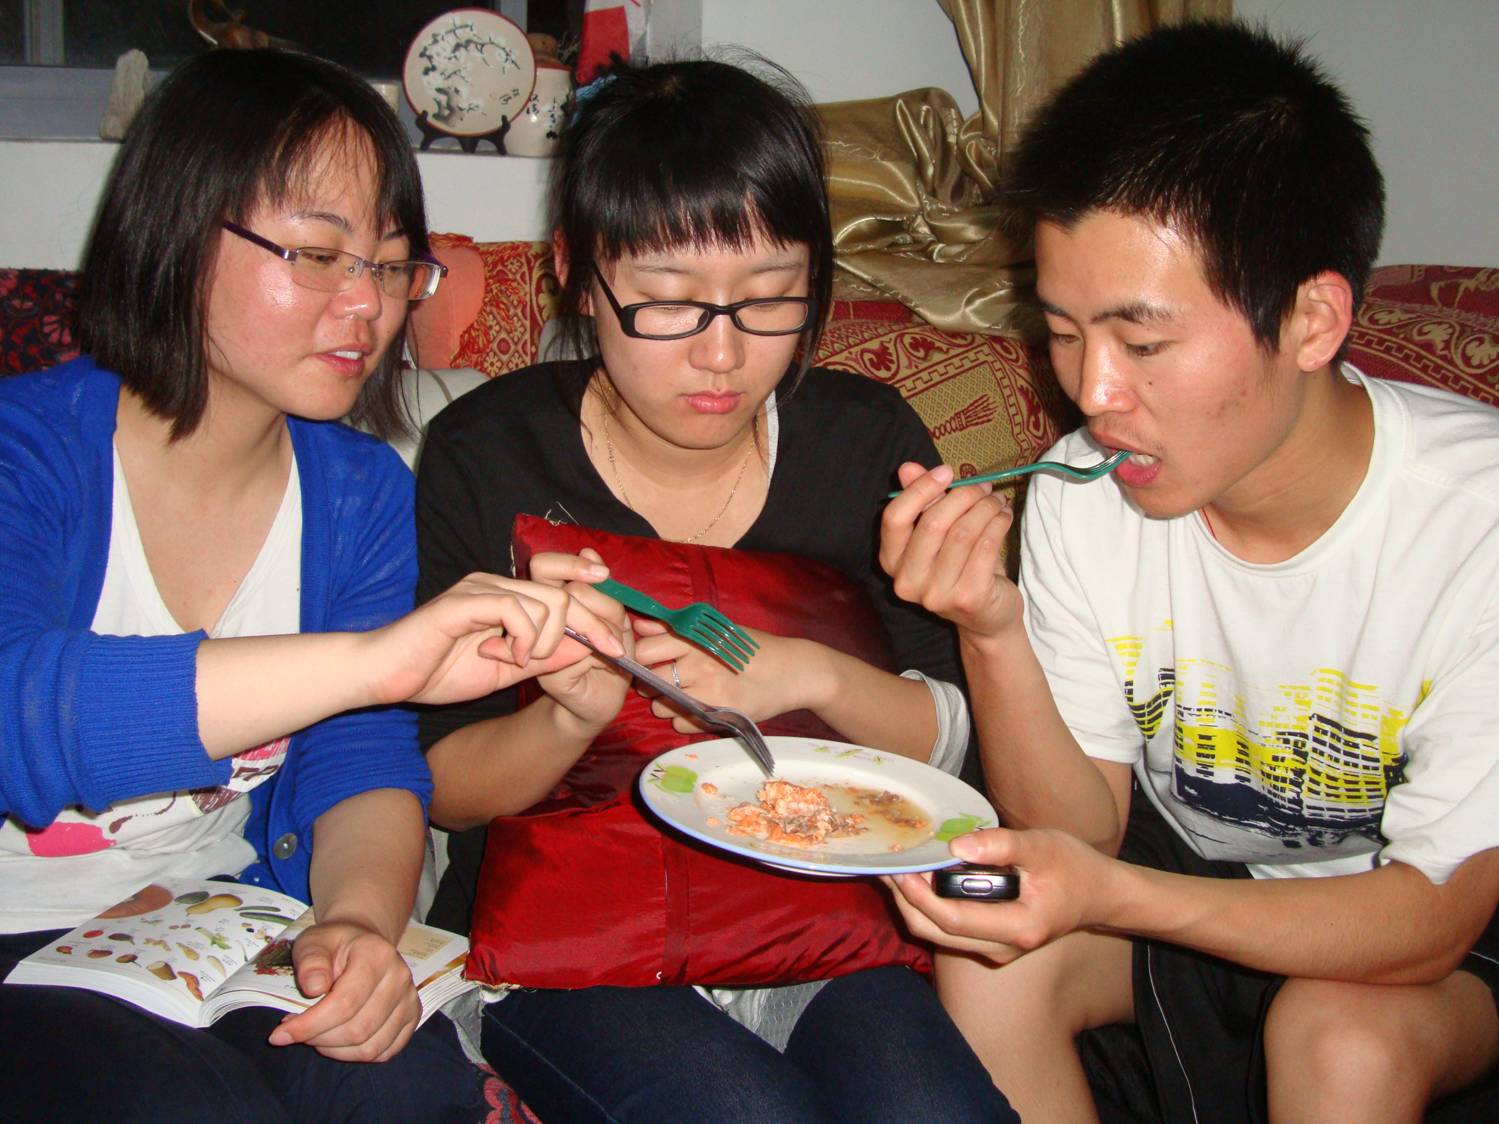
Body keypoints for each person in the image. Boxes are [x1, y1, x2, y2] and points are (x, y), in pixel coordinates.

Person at [878, 19, 1499, 1124]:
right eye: (1062, 331)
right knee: (988, 955)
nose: (1091, 391)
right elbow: (1077, 834)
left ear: (1311, 319)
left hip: (1436, 949)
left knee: (1336, 1029)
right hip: (1195, 889)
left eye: (1142, 341)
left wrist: (1112, 893)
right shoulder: (1083, 491)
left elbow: (1430, 917)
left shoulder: (1472, 523)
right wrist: (989, 629)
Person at [0, 48, 620, 1123]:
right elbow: (18, 709)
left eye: (390, 264)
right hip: (22, 932)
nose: (366, 306)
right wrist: (379, 658)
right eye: (317, 254)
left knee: (405, 1090)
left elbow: (361, 755)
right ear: (180, 232)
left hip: (210, 921)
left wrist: (358, 926)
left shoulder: (356, 490)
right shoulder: (30, 451)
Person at [416, 58, 1016, 1123]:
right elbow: (439, 787)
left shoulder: (860, 442)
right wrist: (566, 715)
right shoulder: (485, 451)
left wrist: (811, 671)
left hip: (818, 936)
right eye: (663, 304)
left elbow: (952, 743)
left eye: (770, 297)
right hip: (562, 951)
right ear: (576, 275)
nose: (723, 354)